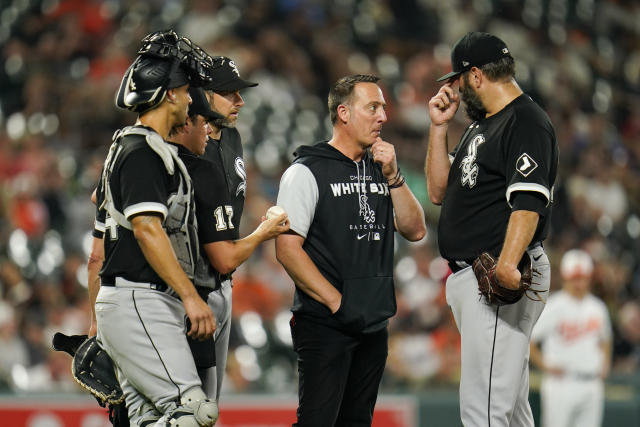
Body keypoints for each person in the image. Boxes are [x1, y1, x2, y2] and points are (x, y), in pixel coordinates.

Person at [275, 74, 426, 426]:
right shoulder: (306, 171)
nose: (383, 117)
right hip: (325, 323)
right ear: (343, 112)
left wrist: (393, 175)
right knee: (317, 422)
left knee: (357, 422)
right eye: (372, 107)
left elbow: (415, 229)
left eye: (384, 108)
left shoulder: (381, 168)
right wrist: (337, 303)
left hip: (372, 322)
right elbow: (287, 249)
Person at [425, 31, 558, 426]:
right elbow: (438, 191)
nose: (456, 88)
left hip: (497, 277)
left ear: (477, 75)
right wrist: (438, 128)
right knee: (511, 411)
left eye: (459, 79)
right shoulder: (482, 125)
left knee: (483, 412)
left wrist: (507, 264)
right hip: (477, 275)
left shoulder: (525, 120)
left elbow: (529, 202)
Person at [92, 30, 219, 426]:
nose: (187, 99)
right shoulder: (141, 150)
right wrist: (191, 297)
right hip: (139, 298)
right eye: (183, 92)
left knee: (147, 419)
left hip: (134, 301)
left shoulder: (139, 148)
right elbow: (147, 229)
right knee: (193, 413)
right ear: (167, 95)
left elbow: (98, 247)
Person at [176, 69, 289, 402]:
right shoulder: (185, 143)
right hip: (190, 288)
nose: (240, 100)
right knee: (187, 406)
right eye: (229, 93)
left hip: (222, 284)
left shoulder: (233, 137)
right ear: (203, 96)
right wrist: (263, 232)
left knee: (208, 403)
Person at [530, 249, 612, 427]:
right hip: (561, 383)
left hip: (592, 383)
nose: (579, 283)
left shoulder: (597, 307)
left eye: (582, 277)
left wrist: (605, 362)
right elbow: (530, 341)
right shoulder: (554, 306)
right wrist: (545, 365)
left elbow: (606, 339)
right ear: (565, 278)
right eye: (574, 278)